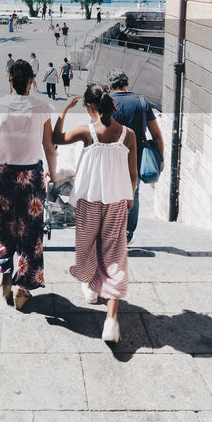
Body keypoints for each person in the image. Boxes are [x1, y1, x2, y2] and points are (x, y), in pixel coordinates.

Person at [52, 86, 137, 343]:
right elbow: (132, 174)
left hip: (89, 201)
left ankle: (90, 287)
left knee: (87, 248)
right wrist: (130, 195)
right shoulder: (127, 134)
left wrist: (65, 109)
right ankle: (111, 320)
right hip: (117, 201)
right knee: (115, 255)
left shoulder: (86, 132)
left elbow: (56, 137)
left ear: (90, 107)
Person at [0, 59, 56, 310]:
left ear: (9, 78)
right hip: (32, 177)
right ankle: (23, 290)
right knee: (31, 232)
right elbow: (48, 146)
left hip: (4, 176)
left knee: (3, 225)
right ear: (31, 80)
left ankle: (6, 276)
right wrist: (53, 172)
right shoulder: (42, 107)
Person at [107, 71, 165, 244]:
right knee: (134, 193)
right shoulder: (142, 102)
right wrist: (160, 158)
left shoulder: (105, 102)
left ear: (110, 85)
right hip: (136, 156)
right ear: (127, 84)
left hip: (110, 155)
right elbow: (156, 134)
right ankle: (126, 234)